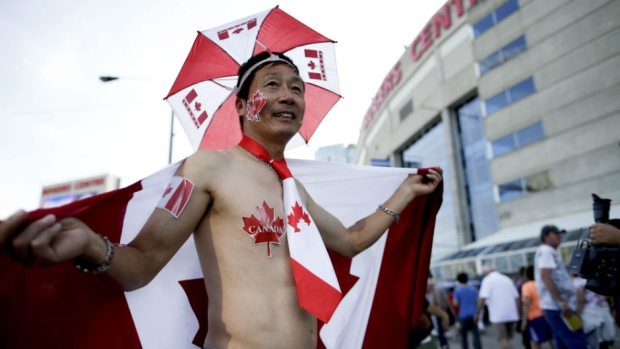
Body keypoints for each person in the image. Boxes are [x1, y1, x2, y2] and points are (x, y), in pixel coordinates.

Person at [0, 51, 443, 349]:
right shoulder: (206, 167)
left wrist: (404, 193)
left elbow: (349, 241)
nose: (289, 95)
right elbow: (142, 263)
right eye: (272, 85)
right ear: (241, 104)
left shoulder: (292, 187)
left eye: (297, 87)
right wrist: (91, 245)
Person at [535, 224, 588, 349]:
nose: (560, 236)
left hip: (557, 306)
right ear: (545, 236)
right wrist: (561, 302)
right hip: (560, 307)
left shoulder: (548, 251)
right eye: (556, 233)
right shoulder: (546, 251)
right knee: (576, 341)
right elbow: (545, 276)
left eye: (560, 233)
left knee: (564, 342)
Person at [474, 263, 520, 349]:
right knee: (507, 339)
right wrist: (519, 313)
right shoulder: (507, 279)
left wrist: (477, 313)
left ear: (486, 272)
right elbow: (516, 298)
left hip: (498, 315)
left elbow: (482, 299)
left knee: (502, 339)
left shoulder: (487, 280)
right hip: (512, 314)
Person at [572, 274, 617, 349]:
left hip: (589, 311)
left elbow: (580, 300)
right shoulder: (596, 278)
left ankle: (600, 343)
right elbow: (607, 295)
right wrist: (612, 307)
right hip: (603, 308)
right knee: (606, 334)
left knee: (594, 337)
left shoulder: (577, 281)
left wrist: (578, 314)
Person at [521, 265, 555, 349]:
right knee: (552, 339)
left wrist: (524, 321)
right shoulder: (541, 283)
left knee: (535, 342)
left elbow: (526, 304)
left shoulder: (527, 286)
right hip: (547, 313)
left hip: (535, 317)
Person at [453, 272, 482, 349]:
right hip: (473, 314)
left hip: (463, 315)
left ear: (458, 280)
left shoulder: (457, 290)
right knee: (476, 336)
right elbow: (478, 301)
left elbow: (455, 303)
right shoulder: (473, 289)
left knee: (464, 337)